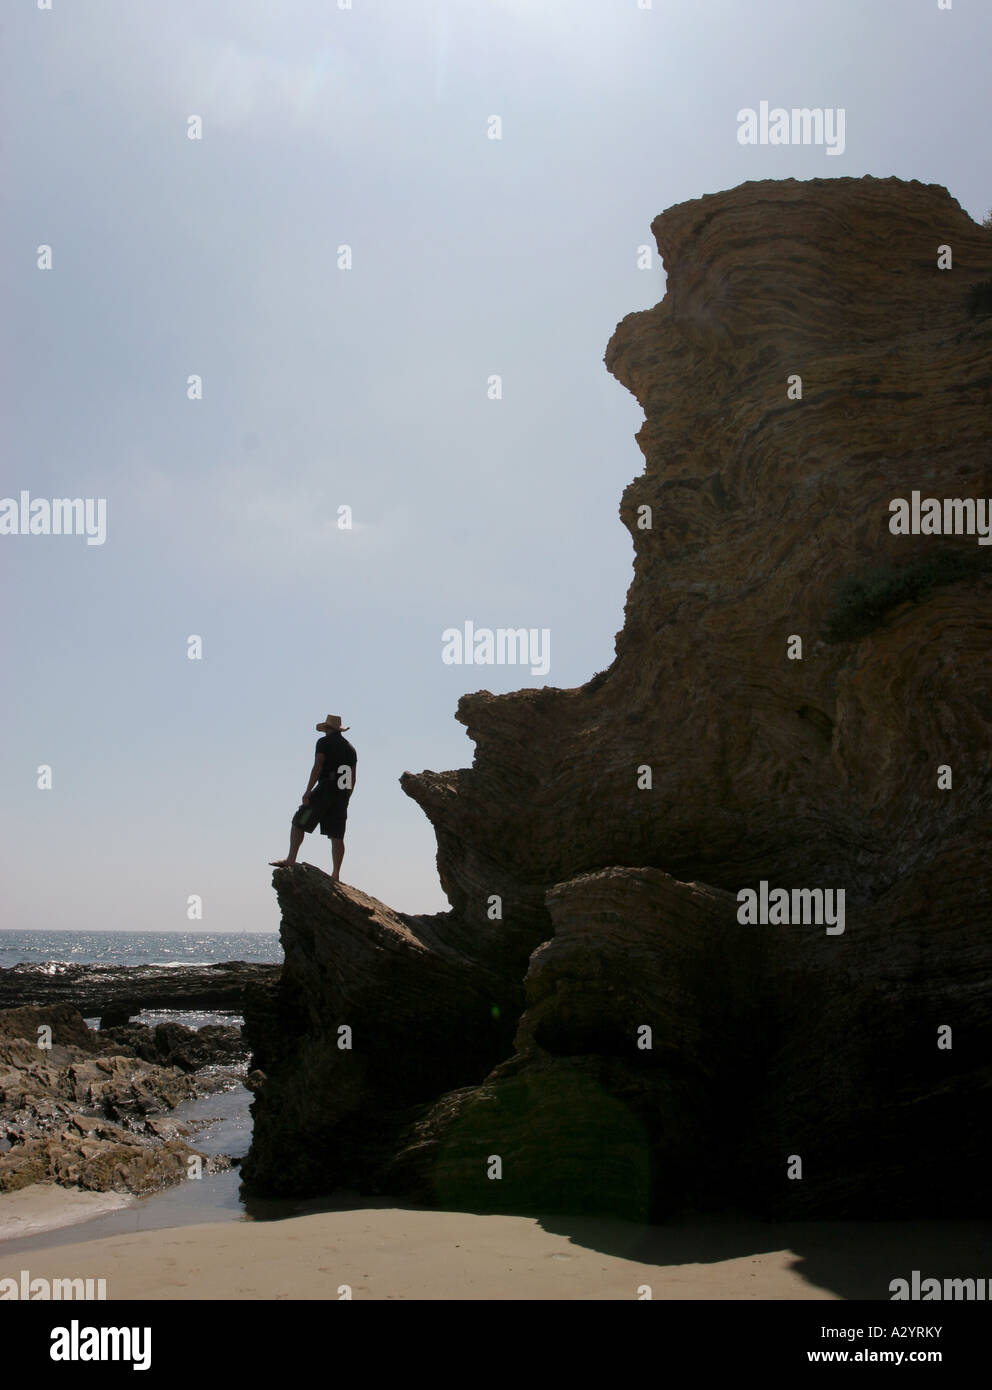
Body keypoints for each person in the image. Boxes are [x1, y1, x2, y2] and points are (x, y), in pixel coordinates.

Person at [269, 715, 357, 880]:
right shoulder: (350, 748)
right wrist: (346, 798)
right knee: (337, 834)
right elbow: (353, 778)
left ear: (327, 729)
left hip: (325, 789)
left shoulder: (324, 743)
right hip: (342, 793)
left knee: (299, 821)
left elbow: (318, 766)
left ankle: (291, 859)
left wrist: (308, 791)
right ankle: (336, 873)